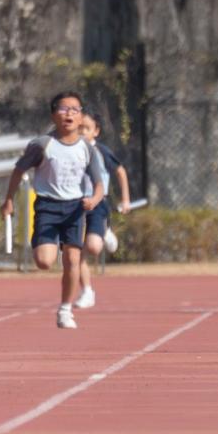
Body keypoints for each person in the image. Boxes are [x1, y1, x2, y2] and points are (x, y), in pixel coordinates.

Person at [1, 91, 105, 329]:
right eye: (63, 109)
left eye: (75, 110)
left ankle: (65, 309)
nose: (69, 114)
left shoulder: (87, 149)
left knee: (72, 259)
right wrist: (8, 200)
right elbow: (19, 171)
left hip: (75, 208)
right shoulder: (42, 145)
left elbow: (99, 184)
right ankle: (52, 245)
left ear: (81, 117)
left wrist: (94, 200)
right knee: (44, 262)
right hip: (47, 206)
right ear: (53, 115)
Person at [73, 109, 131, 310]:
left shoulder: (100, 151)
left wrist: (125, 199)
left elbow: (120, 171)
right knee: (75, 252)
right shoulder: (68, 150)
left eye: (86, 128)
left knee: (93, 247)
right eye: (79, 128)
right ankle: (87, 291)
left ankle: (104, 230)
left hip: (97, 204)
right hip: (75, 205)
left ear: (95, 131)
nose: (82, 132)